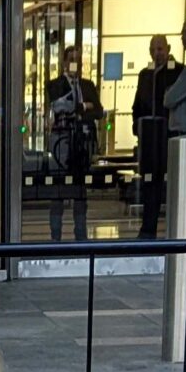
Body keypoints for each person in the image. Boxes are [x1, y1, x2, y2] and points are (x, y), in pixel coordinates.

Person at [46, 44, 103, 243]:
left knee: (80, 189)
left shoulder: (87, 85)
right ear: (64, 62)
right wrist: (82, 106)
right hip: (62, 142)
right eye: (71, 59)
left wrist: (81, 108)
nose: (74, 64)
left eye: (77, 60)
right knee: (59, 189)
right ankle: (56, 235)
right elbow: (59, 106)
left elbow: (98, 111)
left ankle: (81, 234)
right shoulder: (55, 84)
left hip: (82, 141)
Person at [132, 32, 180, 238]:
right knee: (150, 183)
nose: (156, 53)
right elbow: (138, 104)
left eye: (160, 49)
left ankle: (176, 228)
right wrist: (137, 126)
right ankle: (148, 228)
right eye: (153, 49)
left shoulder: (178, 72)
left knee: (172, 183)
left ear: (168, 49)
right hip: (150, 137)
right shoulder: (145, 75)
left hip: (169, 136)